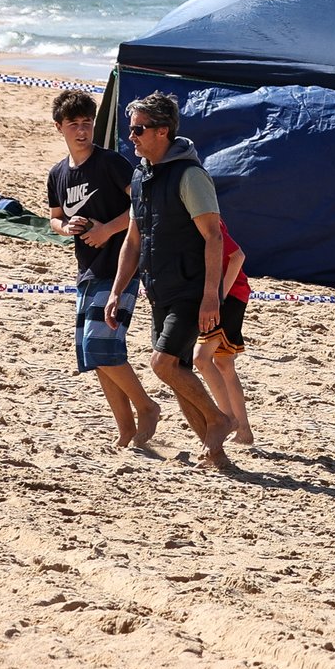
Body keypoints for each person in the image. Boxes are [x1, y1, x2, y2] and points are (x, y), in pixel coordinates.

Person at [104, 93, 233, 470]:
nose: (132, 137)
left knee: (162, 365)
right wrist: (116, 291)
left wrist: (211, 297)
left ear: (163, 131)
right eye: (130, 129)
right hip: (159, 288)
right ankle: (216, 454)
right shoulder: (141, 176)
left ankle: (221, 420)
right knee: (178, 374)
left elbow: (214, 237)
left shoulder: (190, 175)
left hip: (192, 289)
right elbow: (132, 238)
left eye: (139, 129)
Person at [46, 90, 159, 448]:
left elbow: (145, 204)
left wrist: (107, 228)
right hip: (87, 268)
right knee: (94, 353)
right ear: (59, 128)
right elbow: (54, 218)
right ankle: (126, 429)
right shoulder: (58, 173)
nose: (82, 131)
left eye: (87, 123)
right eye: (74, 125)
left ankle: (147, 407)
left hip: (120, 265)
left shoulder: (111, 162)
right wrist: (68, 228)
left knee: (101, 344)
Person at [195, 224, 255, 447]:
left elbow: (237, 256)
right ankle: (244, 431)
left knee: (201, 358)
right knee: (224, 363)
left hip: (228, 295)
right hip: (232, 293)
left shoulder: (204, 216)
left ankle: (228, 419)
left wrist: (219, 297)